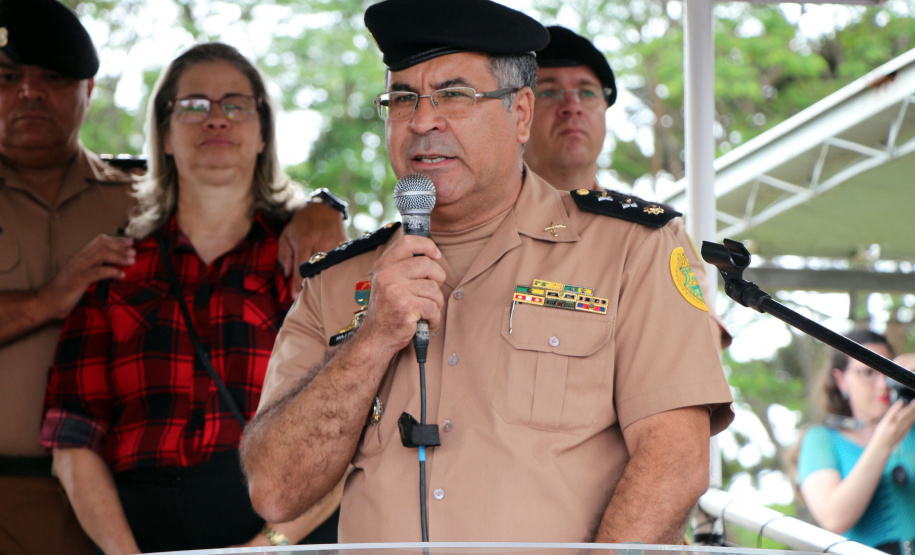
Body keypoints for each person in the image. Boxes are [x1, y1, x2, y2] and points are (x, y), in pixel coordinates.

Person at [241, 0, 734, 544]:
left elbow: (675, 458)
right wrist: (373, 337)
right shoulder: (338, 280)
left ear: (520, 114)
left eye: (455, 95)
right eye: (403, 98)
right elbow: (276, 491)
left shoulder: (631, 248)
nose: (423, 120)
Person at [0, 2, 345, 553]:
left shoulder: (315, 261)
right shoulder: (113, 267)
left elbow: (351, 424)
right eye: (192, 106)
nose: (216, 118)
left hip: (284, 531)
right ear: (162, 134)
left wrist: (269, 546)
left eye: (236, 105)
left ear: (263, 133)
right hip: (140, 532)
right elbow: (74, 436)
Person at [525, 25, 731, 352]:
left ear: (605, 111)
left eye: (587, 92)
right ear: (520, 110)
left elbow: (697, 344)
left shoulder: (654, 232)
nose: (572, 107)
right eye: (549, 92)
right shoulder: (472, 218)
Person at [797, 330, 915, 554]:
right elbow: (834, 518)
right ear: (840, 380)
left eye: (888, 372)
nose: (883, 385)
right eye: (868, 373)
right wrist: (882, 444)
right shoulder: (822, 438)